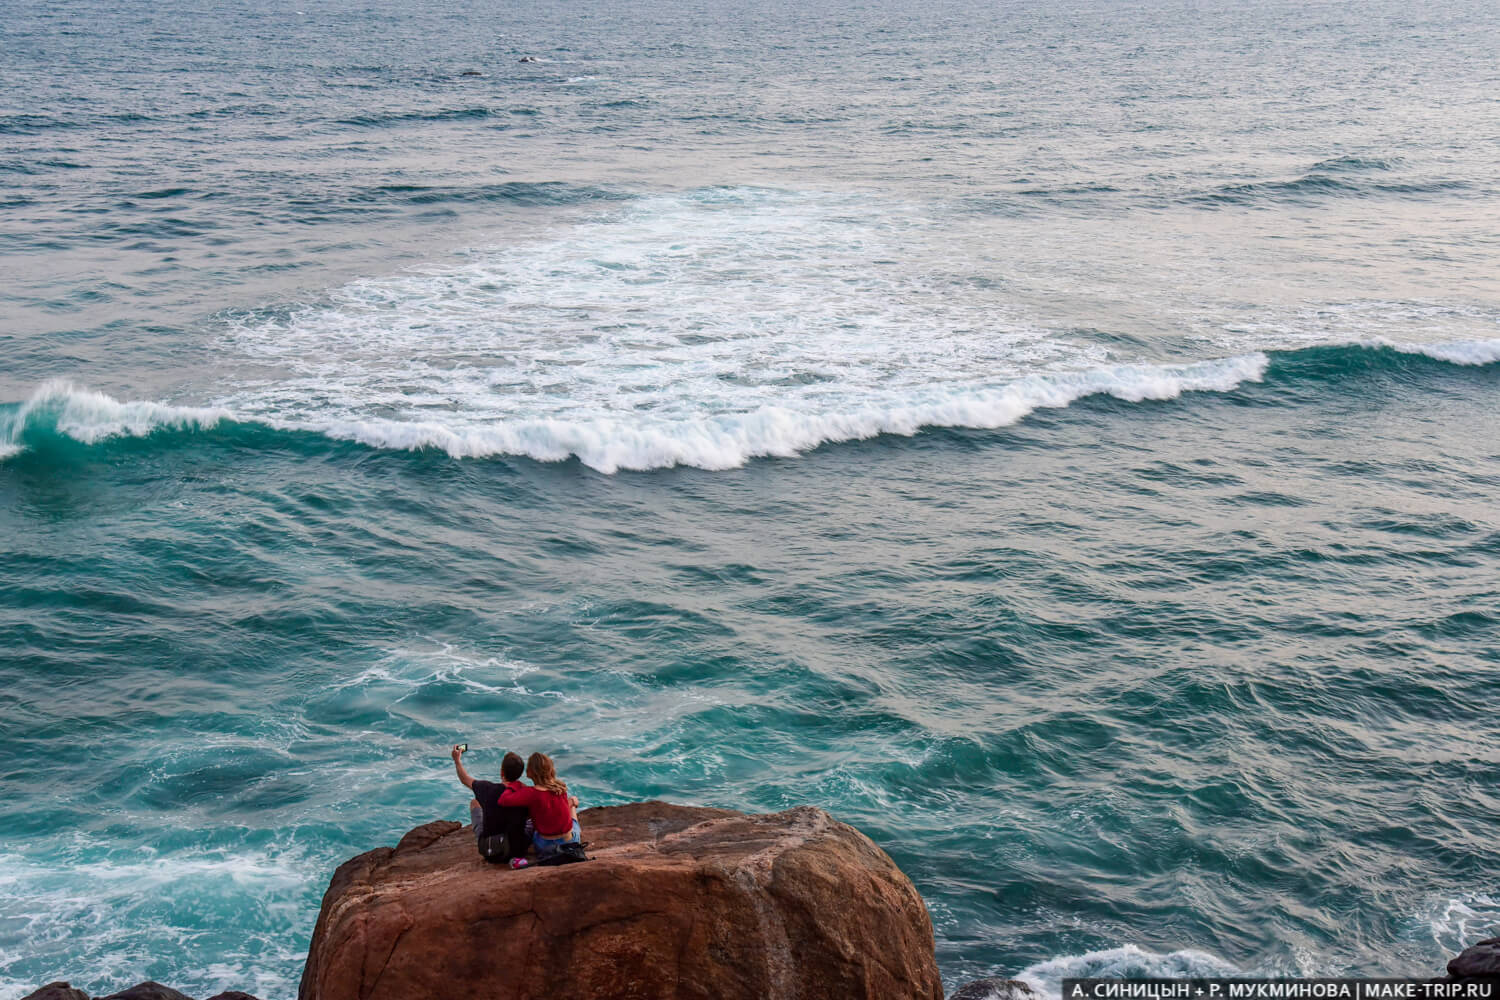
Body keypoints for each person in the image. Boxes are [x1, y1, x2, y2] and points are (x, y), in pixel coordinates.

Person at [452, 745, 530, 862]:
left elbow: (464, 779)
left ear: (501, 772)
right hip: (515, 851)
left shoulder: (487, 789)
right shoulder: (525, 793)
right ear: (520, 774)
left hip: (489, 851)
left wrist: (457, 761)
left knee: (475, 802)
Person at [498, 752, 582, 857]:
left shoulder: (531, 793)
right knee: (571, 803)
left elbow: (503, 800)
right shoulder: (560, 788)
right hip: (571, 842)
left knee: (531, 824)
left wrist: (514, 784)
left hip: (545, 846)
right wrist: (572, 802)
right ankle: (573, 803)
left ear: (530, 772)